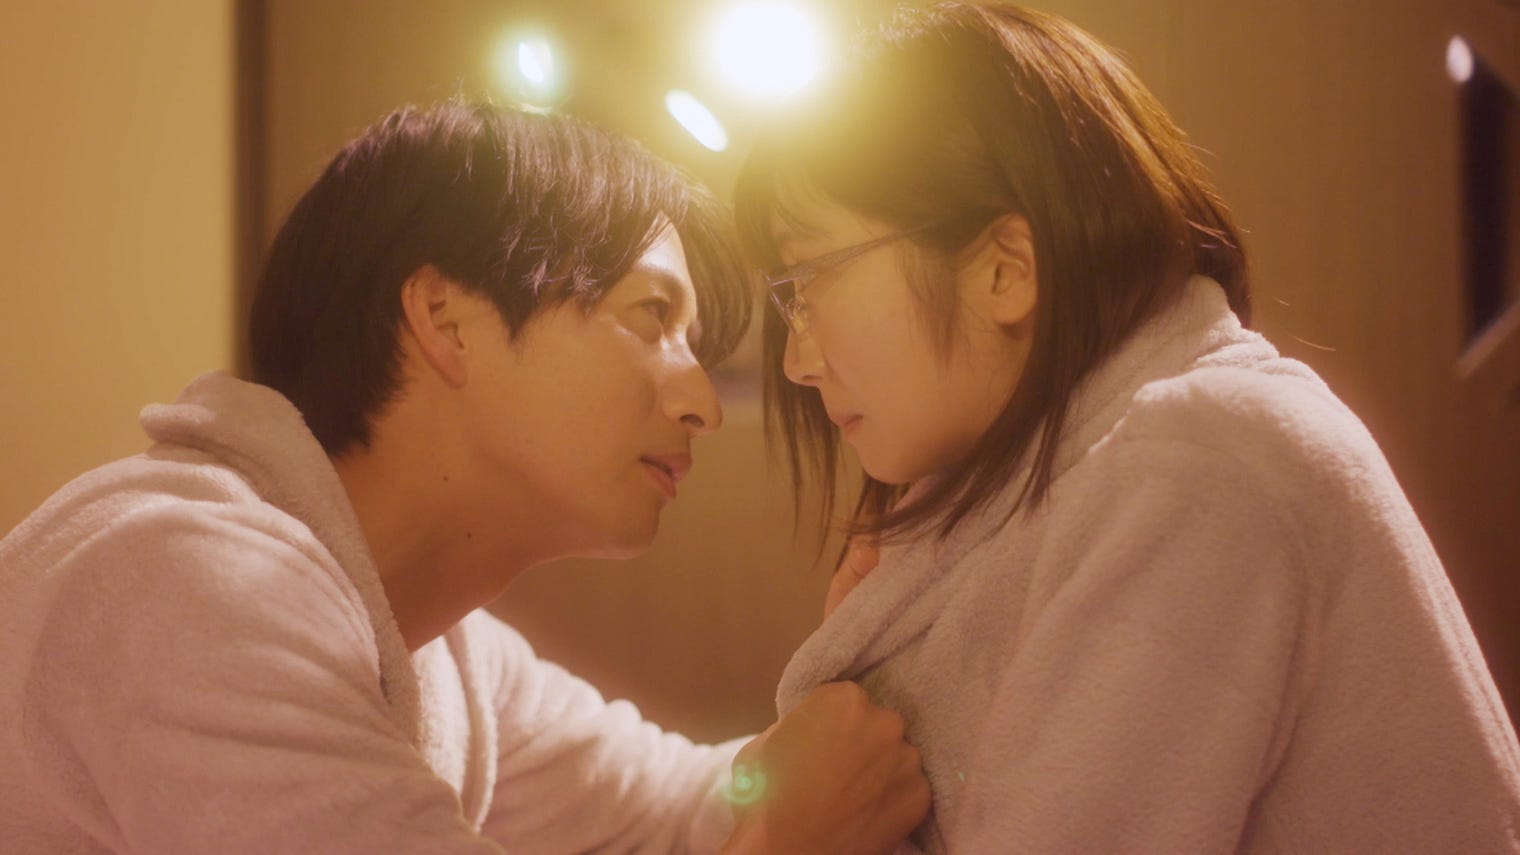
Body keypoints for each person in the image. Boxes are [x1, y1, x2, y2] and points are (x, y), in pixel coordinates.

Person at [0, 101, 929, 853]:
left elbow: (675, 808)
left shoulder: (445, 657)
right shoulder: (190, 583)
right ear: (445, 320)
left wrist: (844, 695)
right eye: (652, 316)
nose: (701, 404)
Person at [733, 3, 1520, 851]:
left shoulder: (1202, 463)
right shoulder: (1066, 479)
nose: (797, 361)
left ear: (1004, 270)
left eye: (810, 280)